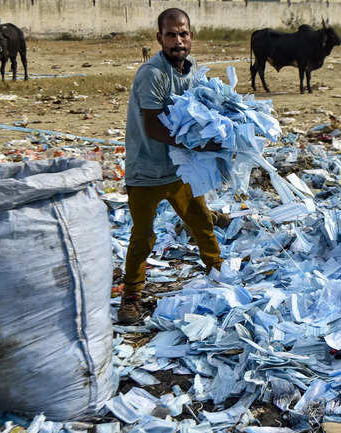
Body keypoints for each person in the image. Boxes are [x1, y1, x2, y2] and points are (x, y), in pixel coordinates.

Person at [119, 8, 225, 324]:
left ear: (191, 36)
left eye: (183, 34)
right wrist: (199, 144)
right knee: (143, 237)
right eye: (170, 34)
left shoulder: (191, 73)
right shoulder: (153, 74)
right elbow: (153, 127)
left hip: (179, 170)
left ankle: (219, 274)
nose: (178, 40)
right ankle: (131, 297)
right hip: (146, 171)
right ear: (160, 38)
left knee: (202, 221)